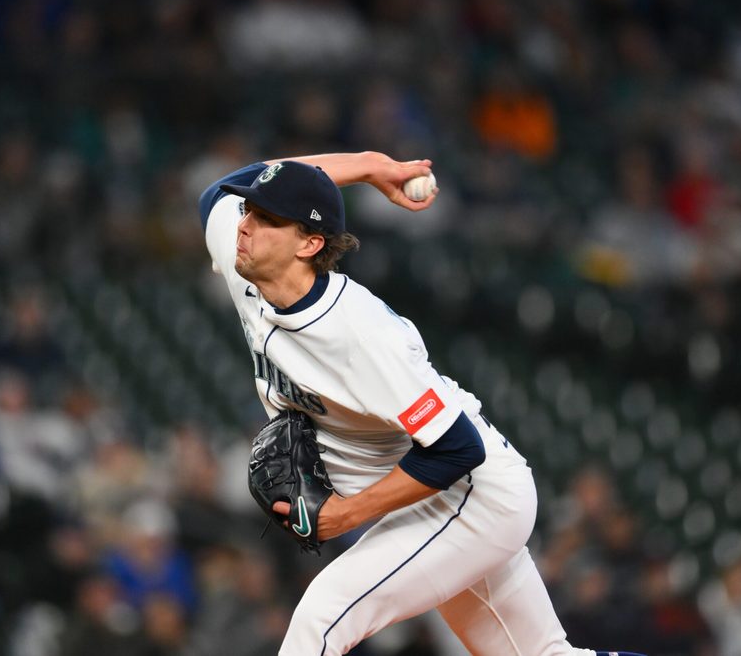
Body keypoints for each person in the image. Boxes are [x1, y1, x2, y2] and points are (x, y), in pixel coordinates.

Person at [198, 151, 645, 656]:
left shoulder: (361, 335)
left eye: (266, 218)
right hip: (425, 503)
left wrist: (347, 515)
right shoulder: (247, 266)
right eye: (251, 212)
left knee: (322, 617)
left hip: (473, 497)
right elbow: (224, 188)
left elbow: (458, 448)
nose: (245, 224)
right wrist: (366, 166)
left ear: (310, 243)